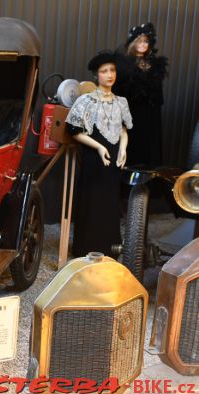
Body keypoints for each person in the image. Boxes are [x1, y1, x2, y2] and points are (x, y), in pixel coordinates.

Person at [65, 50, 133, 257]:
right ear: (97, 75)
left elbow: (123, 129)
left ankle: (109, 249)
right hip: (94, 159)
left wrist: (123, 148)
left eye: (112, 70)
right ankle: (85, 249)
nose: (110, 74)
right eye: (104, 71)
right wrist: (99, 147)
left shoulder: (121, 102)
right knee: (91, 201)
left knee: (111, 201)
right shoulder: (86, 101)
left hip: (114, 160)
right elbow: (74, 131)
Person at [113, 22, 168, 167]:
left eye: (146, 41)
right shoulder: (124, 64)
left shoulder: (154, 65)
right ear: (133, 43)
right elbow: (120, 91)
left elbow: (158, 95)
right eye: (140, 41)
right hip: (132, 112)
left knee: (149, 148)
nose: (143, 44)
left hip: (151, 114)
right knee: (133, 146)